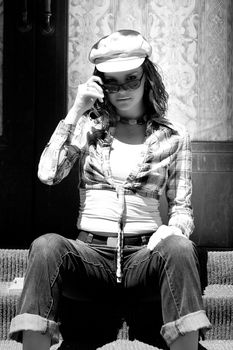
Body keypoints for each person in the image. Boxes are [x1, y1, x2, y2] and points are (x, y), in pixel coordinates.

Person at [9, 29, 211, 350]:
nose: (122, 90)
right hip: (92, 255)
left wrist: (173, 230)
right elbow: (48, 173)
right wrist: (75, 112)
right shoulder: (89, 127)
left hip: (144, 255)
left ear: (147, 77)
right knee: (46, 246)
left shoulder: (174, 135)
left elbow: (182, 208)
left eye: (131, 79)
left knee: (181, 248)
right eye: (111, 82)